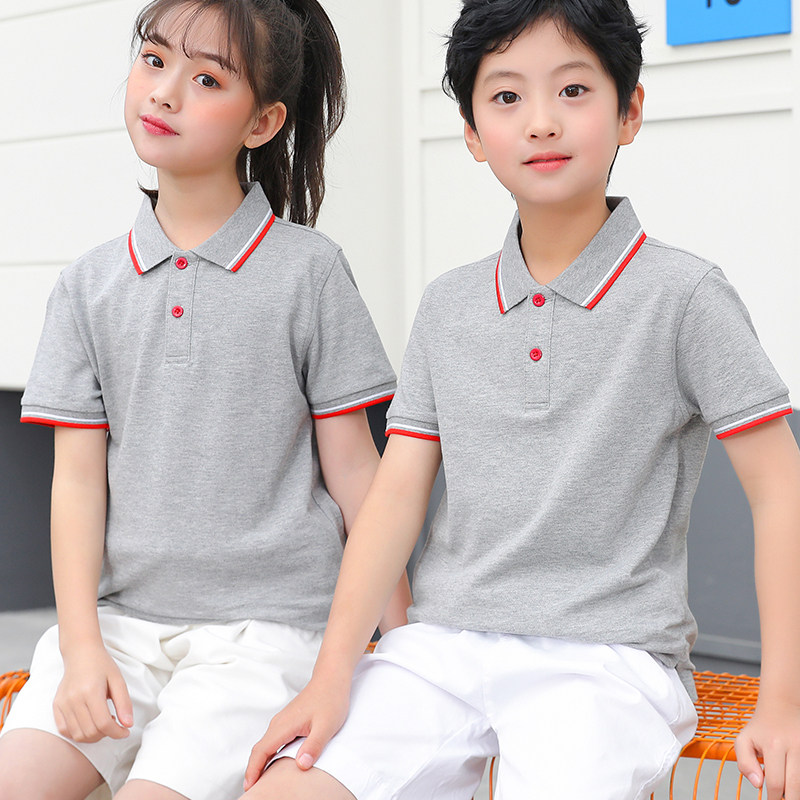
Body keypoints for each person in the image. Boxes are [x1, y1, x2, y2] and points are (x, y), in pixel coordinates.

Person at [241, 1, 800, 799]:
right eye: (506, 96)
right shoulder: (449, 304)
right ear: (472, 133)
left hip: (609, 665)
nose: (541, 121)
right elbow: (395, 497)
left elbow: (780, 490)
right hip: (442, 649)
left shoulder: (685, 296)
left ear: (629, 111)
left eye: (573, 90)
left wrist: (784, 701)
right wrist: (333, 675)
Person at [0, 2, 408, 799]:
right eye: (154, 60)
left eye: (207, 79)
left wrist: (402, 646)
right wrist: (80, 650)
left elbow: (360, 475)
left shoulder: (309, 273)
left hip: (266, 637)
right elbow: (76, 483)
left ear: (263, 122)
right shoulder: (87, 285)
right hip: (120, 630)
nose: (164, 91)